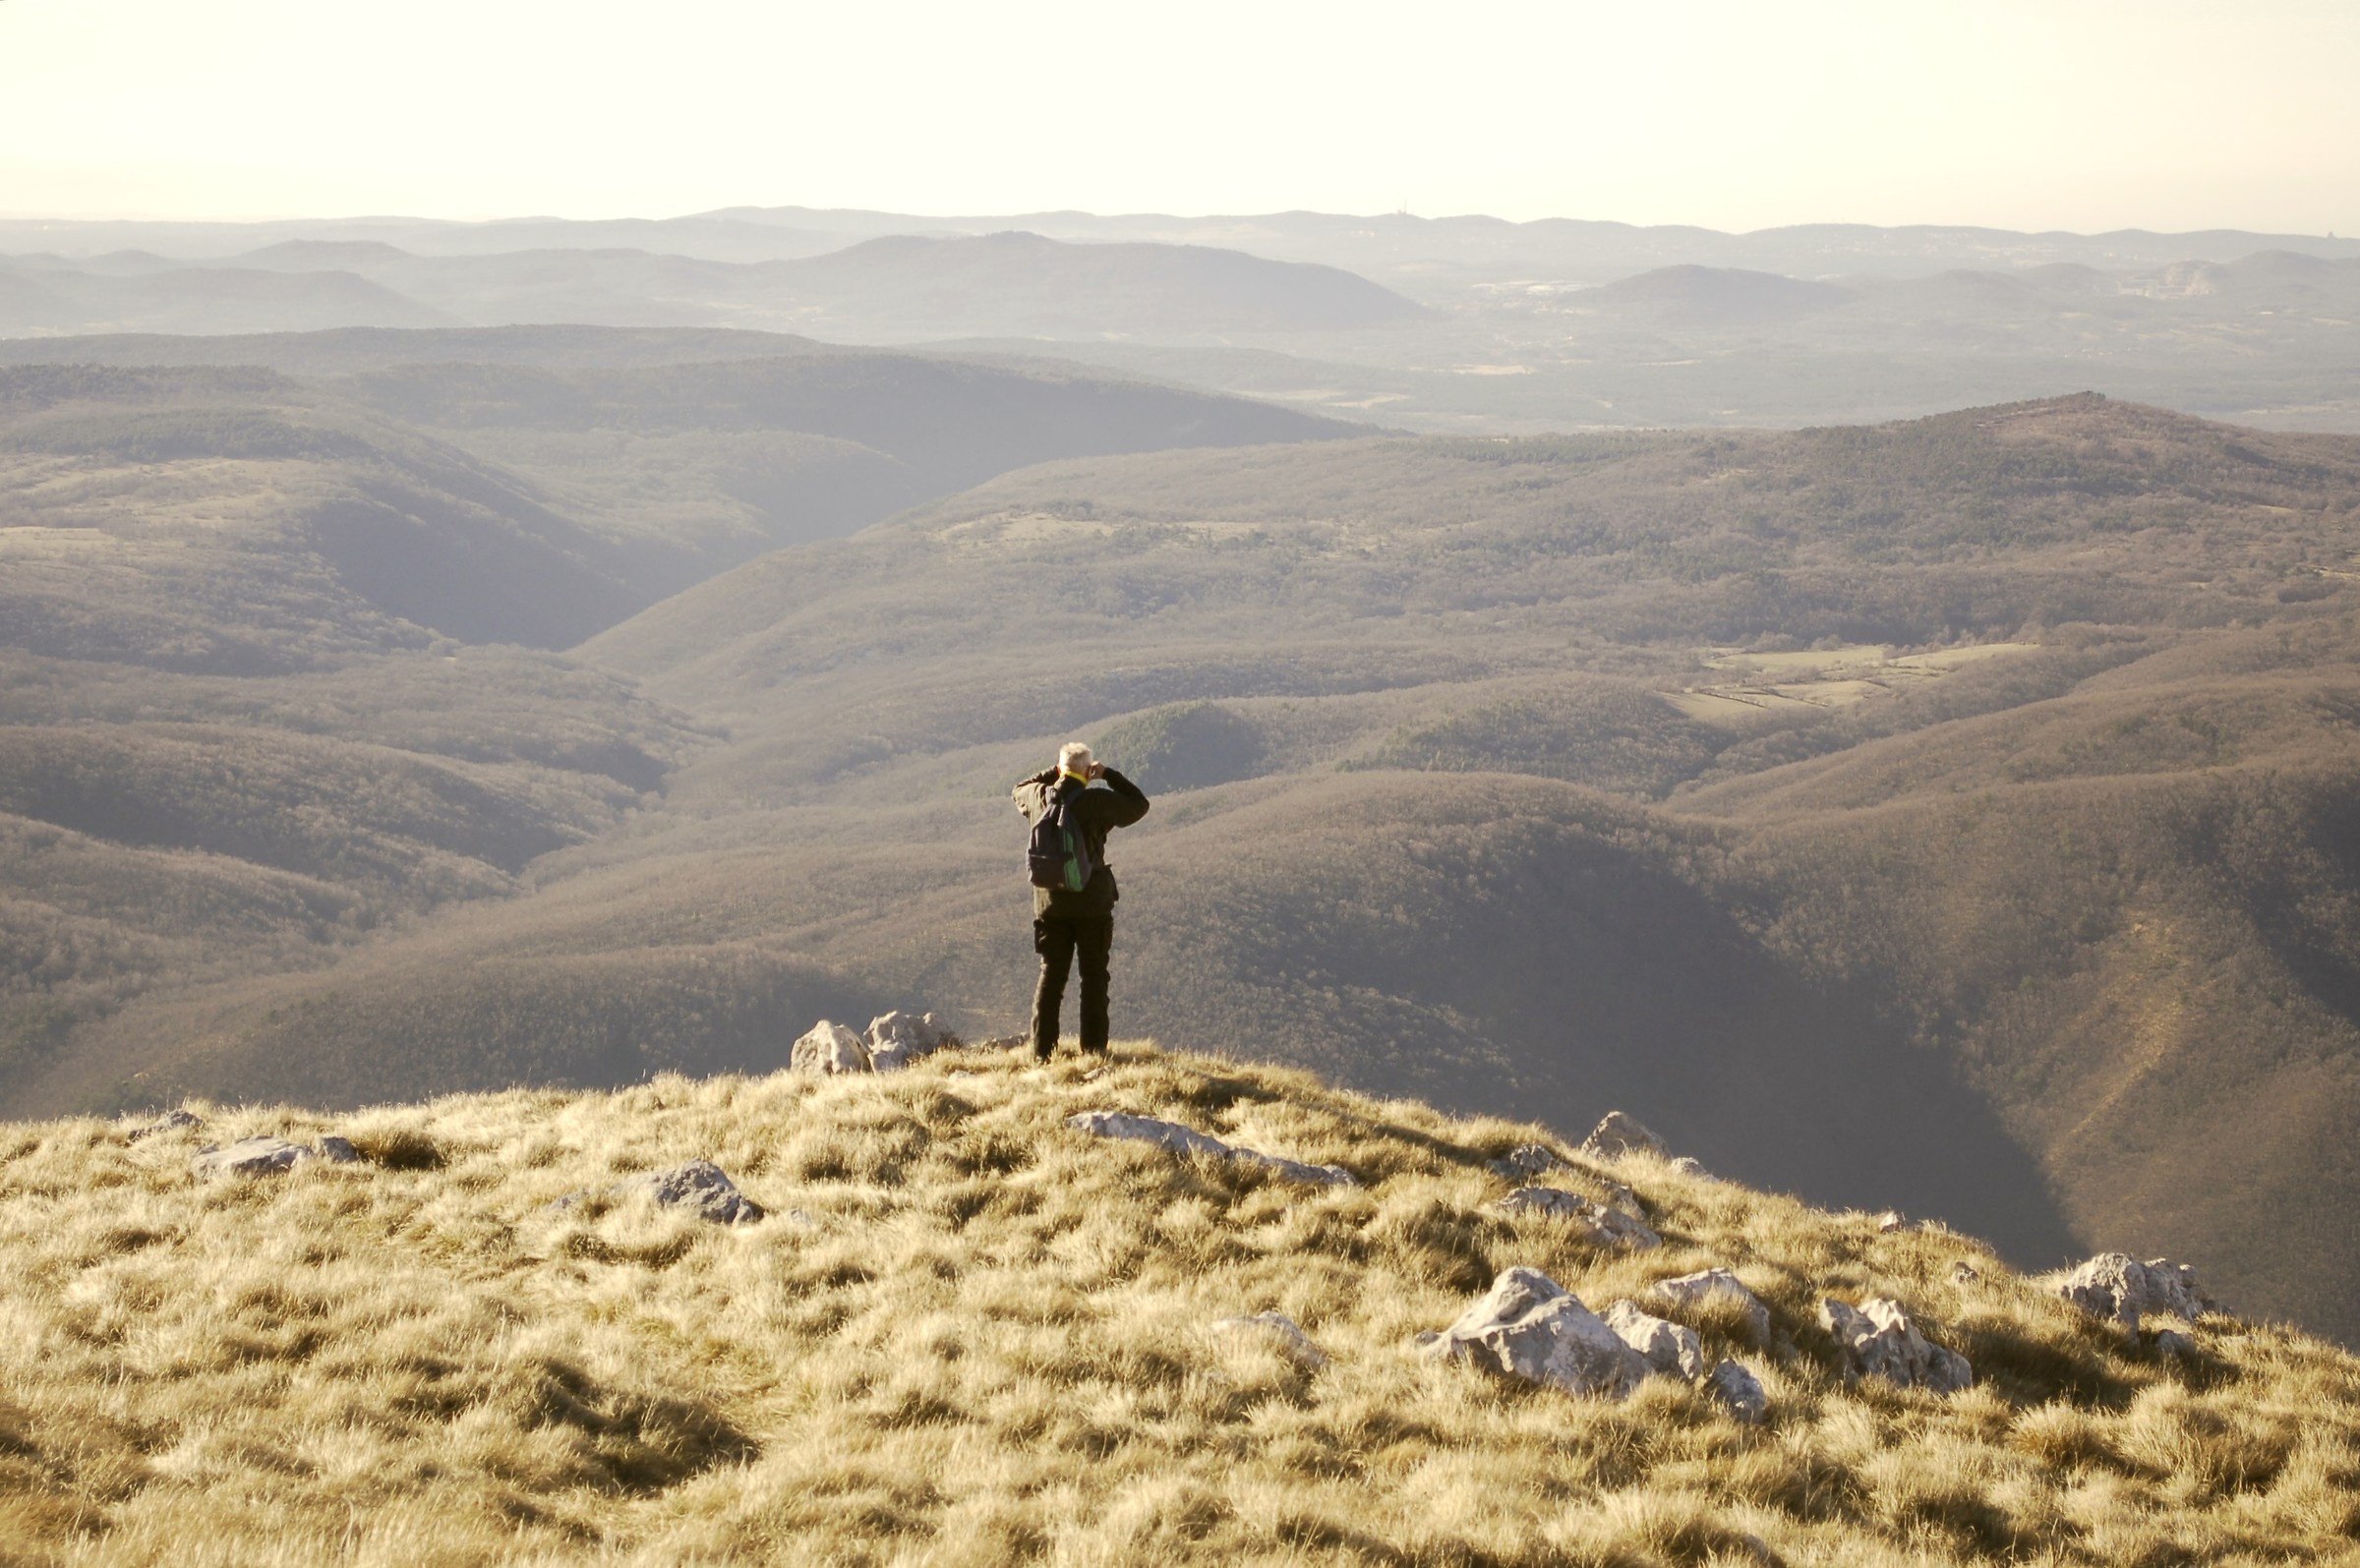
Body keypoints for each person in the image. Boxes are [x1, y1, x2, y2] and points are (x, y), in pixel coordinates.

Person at [1011, 742, 1150, 1061]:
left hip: (1050, 906)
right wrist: (1107, 774)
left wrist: (1055, 773)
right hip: (1092, 905)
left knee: (1051, 978)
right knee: (1094, 979)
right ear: (1088, 772)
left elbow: (1018, 789)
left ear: (1059, 770)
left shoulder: (1039, 797)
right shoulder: (1097, 801)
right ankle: (1093, 1052)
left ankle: (1042, 1054)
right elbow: (1139, 804)